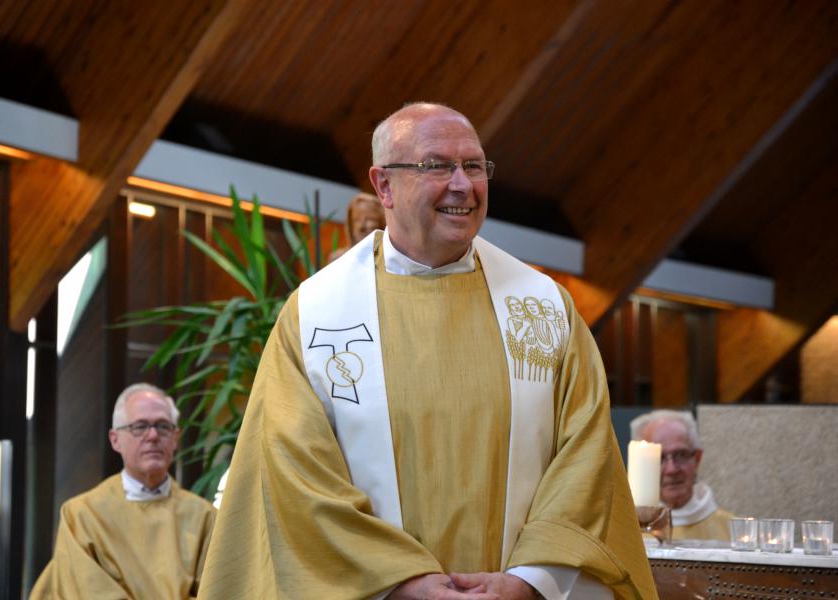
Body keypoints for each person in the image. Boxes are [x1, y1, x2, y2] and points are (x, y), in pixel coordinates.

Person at [198, 103, 657, 600]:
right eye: (437, 165)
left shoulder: (545, 308)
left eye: (475, 166)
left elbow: (585, 457)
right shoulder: (314, 312)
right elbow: (293, 472)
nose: (463, 185)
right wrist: (396, 580)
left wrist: (529, 580)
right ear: (383, 185)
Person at [30, 383, 216, 599]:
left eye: (163, 426)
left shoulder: (205, 517)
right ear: (115, 439)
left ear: (175, 438)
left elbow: (221, 590)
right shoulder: (82, 515)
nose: (153, 435)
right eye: (140, 426)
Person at [630, 410, 733, 541]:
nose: (672, 469)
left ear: (697, 459)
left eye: (680, 455)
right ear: (640, 465)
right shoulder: (626, 532)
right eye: (658, 458)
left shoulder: (732, 531)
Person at [328, 192, 387, 263]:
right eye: (356, 220)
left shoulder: (389, 261)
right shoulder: (339, 259)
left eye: (369, 219)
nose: (361, 226)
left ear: (382, 222)